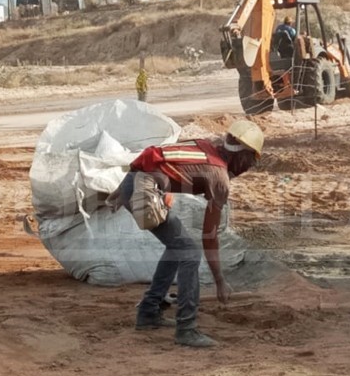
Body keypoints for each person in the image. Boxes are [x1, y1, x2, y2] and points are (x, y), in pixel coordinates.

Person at [107, 120, 264, 348]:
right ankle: (186, 328)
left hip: (137, 182)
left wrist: (164, 187)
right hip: (144, 188)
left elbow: (166, 160)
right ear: (242, 156)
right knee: (189, 252)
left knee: (178, 247)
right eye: (250, 161)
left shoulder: (206, 146)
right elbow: (209, 236)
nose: (247, 167)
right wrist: (220, 281)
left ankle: (149, 311)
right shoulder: (219, 176)